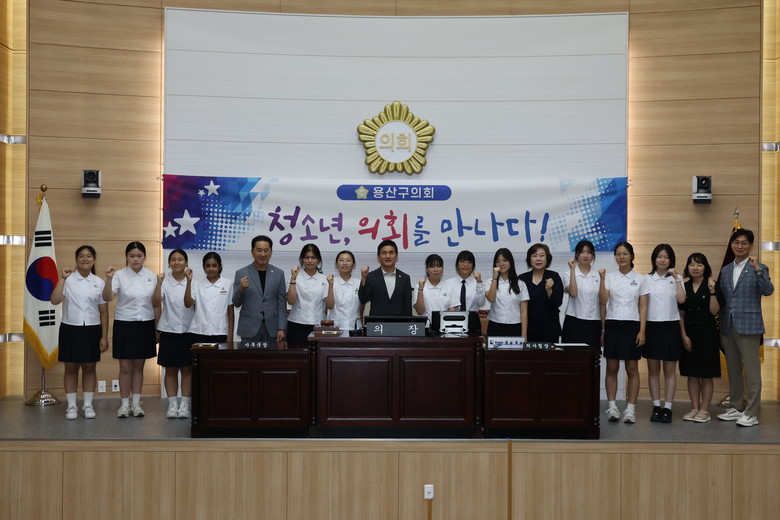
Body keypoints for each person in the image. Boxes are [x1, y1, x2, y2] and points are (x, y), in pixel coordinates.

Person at [717, 229, 774, 427]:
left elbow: (768, 290)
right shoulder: (725, 270)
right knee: (733, 370)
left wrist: (757, 268)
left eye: (744, 243)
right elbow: (724, 298)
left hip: (749, 326)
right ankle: (736, 406)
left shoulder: (759, 267)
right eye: (736, 242)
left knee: (752, 371)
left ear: (751, 245)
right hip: (728, 325)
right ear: (731, 244)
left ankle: (752, 412)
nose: (739, 246)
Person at [50, 245, 108, 420]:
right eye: (81, 256)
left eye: (89, 256)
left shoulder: (99, 282)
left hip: (92, 328)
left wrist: (104, 336)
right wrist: (62, 278)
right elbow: (54, 300)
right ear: (76, 259)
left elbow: (104, 312)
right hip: (70, 328)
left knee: (90, 367)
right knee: (70, 367)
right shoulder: (68, 280)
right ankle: (72, 406)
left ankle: (88, 405)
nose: (85, 259)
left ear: (94, 260)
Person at [102, 241, 160, 418]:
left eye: (139, 256)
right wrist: (109, 279)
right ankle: (124, 404)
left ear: (144, 257)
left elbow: (156, 304)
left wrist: (157, 329)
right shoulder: (118, 275)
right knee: (125, 367)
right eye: (132, 256)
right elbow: (107, 297)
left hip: (145, 324)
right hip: (124, 324)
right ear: (126, 257)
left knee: (139, 366)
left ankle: (136, 403)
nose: (135, 259)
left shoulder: (152, 276)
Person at [599, 241, 646, 424]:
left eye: (625, 253)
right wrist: (602, 280)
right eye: (618, 254)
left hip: (632, 326)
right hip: (613, 325)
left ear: (632, 256)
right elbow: (603, 301)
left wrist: (642, 331)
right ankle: (612, 407)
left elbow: (643, 307)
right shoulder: (609, 277)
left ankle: (631, 409)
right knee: (611, 368)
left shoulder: (641, 279)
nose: (621, 257)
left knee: (632, 368)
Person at [640, 244, 686, 423]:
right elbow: (643, 306)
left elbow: (681, 300)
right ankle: (656, 406)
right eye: (659, 256)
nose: (662, 260)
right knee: (653, 370)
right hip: (652, 327)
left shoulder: (678, 278)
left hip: (671, 327)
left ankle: (668, 408)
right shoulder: (646, 279)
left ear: (671, 259)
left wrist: (676, 278)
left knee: (669, 370)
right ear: (654, 259)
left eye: (666, 257)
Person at [679, 253, 723, 423]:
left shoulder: (712, 285)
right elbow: (681, 314)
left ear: (705, 267)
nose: (695, 268)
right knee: (691, 374)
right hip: (689, 334)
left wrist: (712, 292)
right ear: (687, 267)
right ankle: (695, 408)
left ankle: (705, 410)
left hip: (707, 334)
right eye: (692, 264)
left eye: (699, 265)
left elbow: (714, 311)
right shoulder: (684, 287)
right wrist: (683, 335)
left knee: (706, 374)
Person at [153, 249, 195, 419]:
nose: (177, 262)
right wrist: (157, 284)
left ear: (186, 262)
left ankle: (184, 404)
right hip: (168, 330)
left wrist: (189, 282)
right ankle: (172, 404)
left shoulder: (193, 282)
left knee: (186, 369)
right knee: (170, 370)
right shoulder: (164, 281)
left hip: (188, 331)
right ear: (169, 263)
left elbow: (191, 304)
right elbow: (156, 302)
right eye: (173, 260)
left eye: (180, 259)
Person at [233, 235, 287, 344]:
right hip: (249, 328)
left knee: (273, 355)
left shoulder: (279, 273)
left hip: (272, 328)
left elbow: (282, 304)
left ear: (271, 252)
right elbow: (236, 303)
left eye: (266, 250)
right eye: (259, 250)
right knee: (249, 355)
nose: (263, 254)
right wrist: (241, 288)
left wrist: (281, 327)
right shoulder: (241, 273)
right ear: (252, 252)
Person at [561, 240, 604, 347]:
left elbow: (603, 302)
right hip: (573, 322)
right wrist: (572, 269)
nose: (585, 255)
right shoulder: (568, 274)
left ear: (593, 255)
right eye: (582, 252)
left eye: (589, 252)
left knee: (592, 355)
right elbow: (573, 293)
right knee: (571, 355)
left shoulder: (599, 275)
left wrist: (603, 329)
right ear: (576, 254)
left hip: (593, 322)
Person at [519, 243, 563, 343]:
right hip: (527, 330)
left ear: (547, 258)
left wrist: (549, 290)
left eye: (542, 255)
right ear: (529, 259)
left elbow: (558, 302)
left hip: (549, 330)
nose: (538, 259)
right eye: (534, 255)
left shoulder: (554, 276)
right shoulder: (522, 279)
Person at [287, 243, 329, 343]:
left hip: (319, 325)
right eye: (306, 257)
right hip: (296, 324)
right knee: (297, 352)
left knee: (319, 352)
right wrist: (293, 279)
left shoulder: (325, 279)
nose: (310, 261)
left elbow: (330, 305)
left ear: (318, 260)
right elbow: (291, 301)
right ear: (302, 259)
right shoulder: (294, 277)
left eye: (313, 258)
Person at [358, 239, 412, 316]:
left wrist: (408, 322)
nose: (388, 256)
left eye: (391, 252)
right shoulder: (371, 277)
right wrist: (363, 280)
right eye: (384, 253)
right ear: (378, 257)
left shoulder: (405, 278)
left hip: (398, 322)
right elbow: (363, 299)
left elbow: (407, 306)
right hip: (377, 322)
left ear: (396, 256)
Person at [485, 248, 529, 337]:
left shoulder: (521, 284)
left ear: (511, 262)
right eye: (498, 261)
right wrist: (495, 278)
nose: (501, 264)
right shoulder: (489, 282)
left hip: (515, 326)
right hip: (495, 326)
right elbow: (491, 299)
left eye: (505, 260)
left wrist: (524, 335)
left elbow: (524, 311)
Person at [442, 250, 485, 333]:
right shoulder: (448, 283)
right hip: (452, 319)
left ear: (473, 265)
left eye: (469, 262)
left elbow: (481, 303)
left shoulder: (478, 283)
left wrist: (479, 283)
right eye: (462, 261)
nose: (465, 265)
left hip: (472, 320)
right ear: (457, 264)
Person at [414, 254, 458, 330]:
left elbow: (452, 313)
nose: (436, 269)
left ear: (443, 268)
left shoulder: (449, 288)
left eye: (439, 266)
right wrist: (421, 289)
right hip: (424, 328)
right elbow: (420, 311)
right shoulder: (419, 287)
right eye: (432, 266)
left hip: (444, 328)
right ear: (426, 269)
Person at [326, 250, 363, 330]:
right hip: (335, 328)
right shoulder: (330, 282)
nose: (345, 263)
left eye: (348, 260)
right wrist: (331, 285)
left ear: (353, 265)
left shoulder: (359, 283)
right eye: (341, 260)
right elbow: (329, 306)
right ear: (336, 264)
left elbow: (363, 307)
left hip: (355, 328)